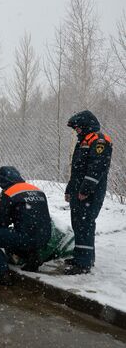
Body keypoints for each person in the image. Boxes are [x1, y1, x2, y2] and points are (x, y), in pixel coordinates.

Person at [0, 166, 52, 285]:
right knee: (22, 231)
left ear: (2, 181)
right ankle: (32, 257)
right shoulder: (36, 190)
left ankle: (2, 274)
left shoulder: (9, 193)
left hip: (26, 237)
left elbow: (2, 222)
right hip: (45, 236)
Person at [64, 110, 112, 275]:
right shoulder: (84, 141)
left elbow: (96, 169)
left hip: (90, 193)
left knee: (85, 224)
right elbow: (76, 170)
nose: (76, 130)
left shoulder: (99, 141)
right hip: (78, 191)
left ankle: (83, 264)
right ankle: (81, 256)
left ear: (86, 125)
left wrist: (85, 190)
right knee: (78, 223)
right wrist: (70, 189)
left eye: (77, 127)